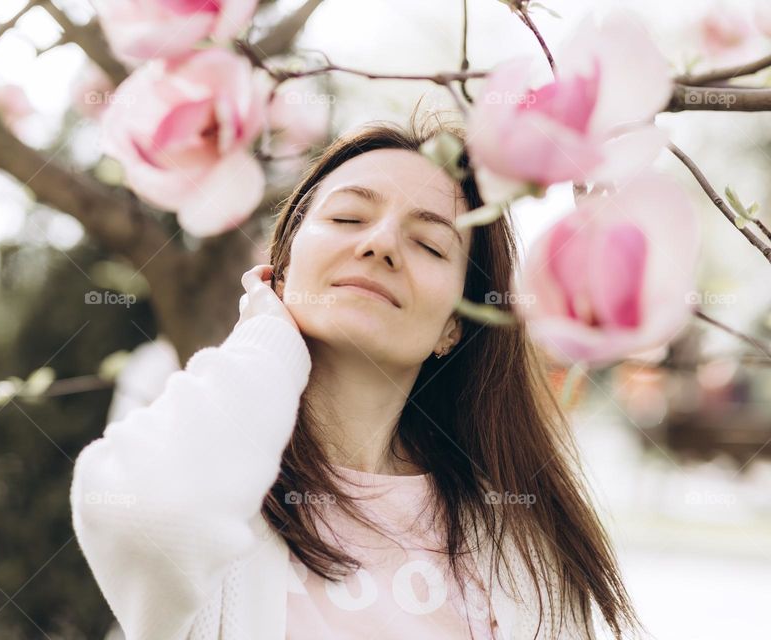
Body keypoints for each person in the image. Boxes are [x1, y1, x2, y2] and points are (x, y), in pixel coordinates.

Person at [70, 114, 643, 640]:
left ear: (454, 327)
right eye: (347, 217)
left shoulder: (517, 536)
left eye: (428, 243)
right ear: (283, 263)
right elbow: (142, 515)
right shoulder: (225, 490)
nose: (380, 244)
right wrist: (267, 338)